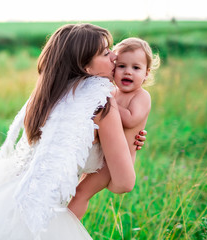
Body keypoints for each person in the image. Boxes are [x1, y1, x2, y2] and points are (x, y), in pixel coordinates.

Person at [0, 24, 146, 240]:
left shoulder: (47, 96)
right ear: (86, 67)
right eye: (106, 52)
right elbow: (123, 183)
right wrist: (130, 144)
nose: (114, 58)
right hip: (39, 216)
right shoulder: (100, 103)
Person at [68, 37, 160, 220]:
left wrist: (108, 101)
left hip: (114, 163)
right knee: (73, 189)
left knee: (81, 193)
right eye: (122, 66)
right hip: (101, 154)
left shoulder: (142, 96)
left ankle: (65, 230)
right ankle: (58, 222)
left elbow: (131, 120)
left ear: (147, 73)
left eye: (136, 68)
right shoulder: (113, 93)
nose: (128, 72)